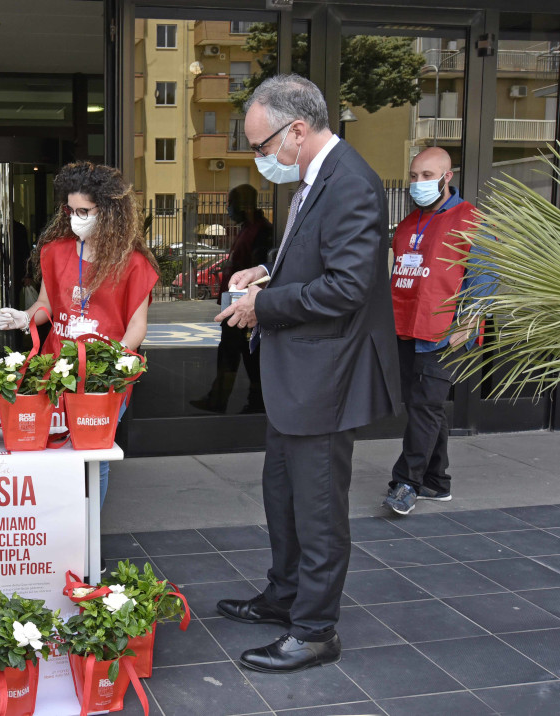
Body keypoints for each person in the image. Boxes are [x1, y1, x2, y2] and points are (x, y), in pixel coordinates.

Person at [213, 75, 400, 673]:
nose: (261, 159)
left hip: (327, 377)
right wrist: (264, 273)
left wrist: (260, 306)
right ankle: (285, 595)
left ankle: (316, 630)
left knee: (317, 509)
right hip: (299, 377)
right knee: (283, 495)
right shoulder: (315, 179)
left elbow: (347, 287)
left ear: (296, 131)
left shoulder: (350, 184)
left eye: (262, 146)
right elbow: (310, 259)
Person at [0, 161, 159, 510]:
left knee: (94, 458)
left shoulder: (133, 263)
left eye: (84, 211)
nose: (75, 218)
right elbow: (46, 306)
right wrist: (24, 318)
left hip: (104, 379)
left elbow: (137, 325)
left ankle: (88, 539)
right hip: (56, 372)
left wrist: (108, 363)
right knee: (53, 451)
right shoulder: (55, 252)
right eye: (69, 210)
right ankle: (60, 530)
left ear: (110, 211)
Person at [384, 147, 494, 516]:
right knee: (426, 407)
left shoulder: (470, 218)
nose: (418, 183)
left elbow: (485, 276)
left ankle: (406, 482)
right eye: (414, 176)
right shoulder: (407, 223)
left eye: (427, 176)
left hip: (444, 332)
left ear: (447, 177)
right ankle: (436, 480)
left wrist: (467, 322)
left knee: (425, 406)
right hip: (405, 327)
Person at [192, 184, 272, 414]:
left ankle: (253, 402)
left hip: (246, 305)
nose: (228, 208)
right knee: (231, 353)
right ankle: (220, 399)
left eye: (230, 203)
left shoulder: (261, 231)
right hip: (235, 303)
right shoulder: (247, 228)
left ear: (243, 204)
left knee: (249, 356)